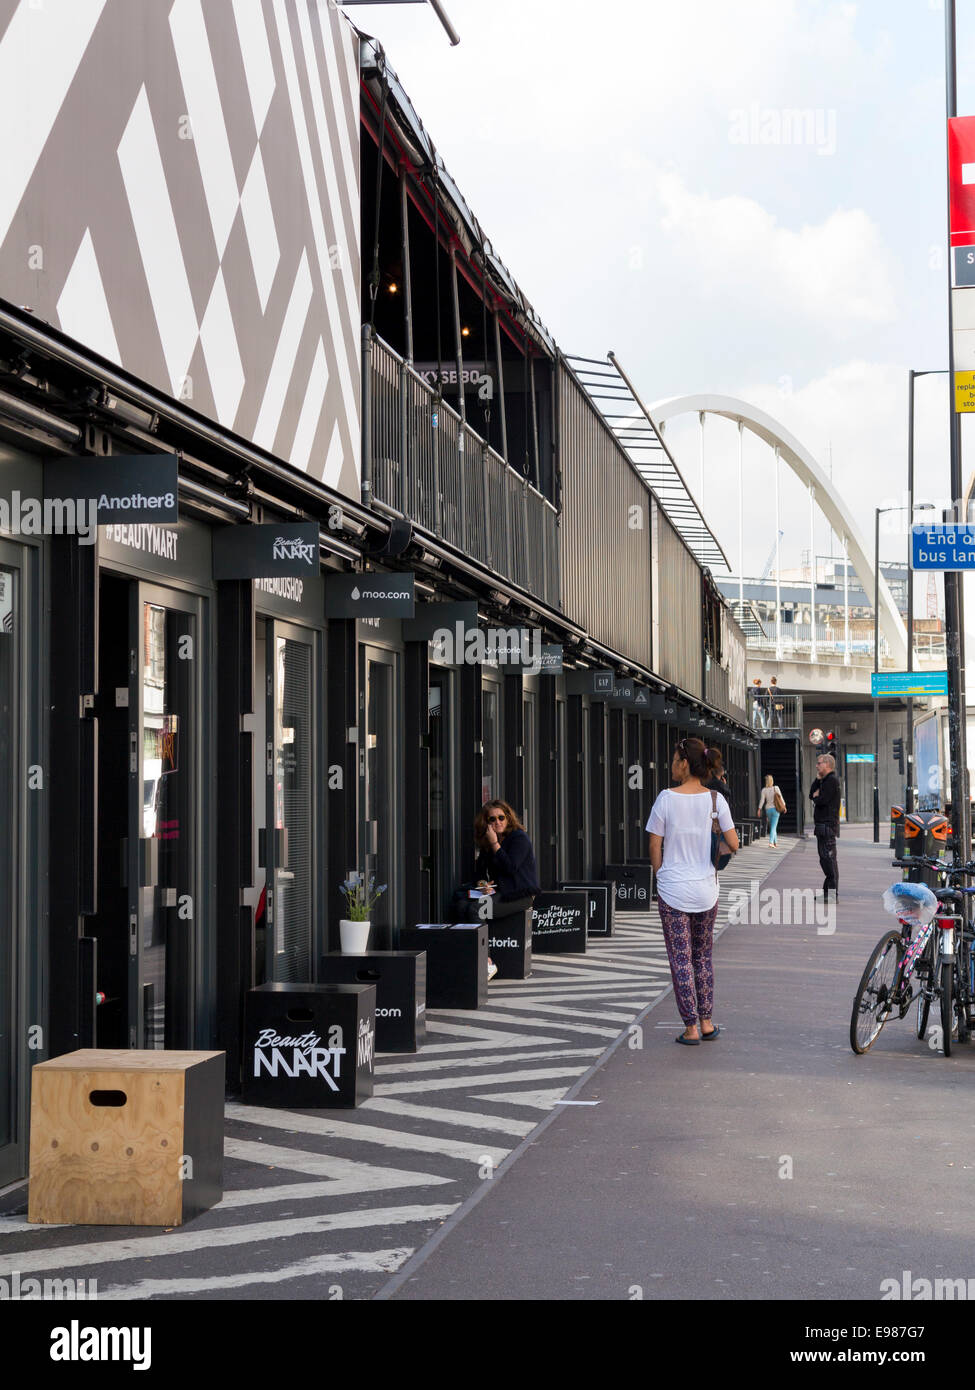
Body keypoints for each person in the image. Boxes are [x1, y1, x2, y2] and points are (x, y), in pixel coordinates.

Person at [646, 737, 739, 1046]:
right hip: (706, 891)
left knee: (681, 960)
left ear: (684, 763)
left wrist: (661, 875)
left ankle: (690, 1028)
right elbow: (734, 844)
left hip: (673, 891)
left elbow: (654, 842)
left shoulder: (665, 798)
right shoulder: (716, 800)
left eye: (674, 759)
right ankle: (708, 1022)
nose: (671, 765)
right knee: (702, 957)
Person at [465, 800, 539, 979]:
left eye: (501, 817)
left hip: (521, 894)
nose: (497, 822)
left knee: (477, 909)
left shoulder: (519, 838)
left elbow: (511, 868)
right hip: (502, 892)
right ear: (486, 823)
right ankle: (468, 958)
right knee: (461, 904)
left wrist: (495, 844)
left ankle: (487, 962)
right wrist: (484, 885)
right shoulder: (488, 842)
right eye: (492, 819)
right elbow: (481, 873)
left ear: (508, 819)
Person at [809, 752, 840, 899]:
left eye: (819, 763)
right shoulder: (824, 780)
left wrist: (817, 796)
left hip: (827, 825)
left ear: (827, 764)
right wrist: (817, 779)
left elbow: (822, 800)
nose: (817, 765)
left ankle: (832, 894)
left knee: (828, 859)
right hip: (822, 826)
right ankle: (828, 893)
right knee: (825, 859)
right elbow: (811, 794)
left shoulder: (831, 781)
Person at [757, 774, 785, 847]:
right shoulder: (776, 788)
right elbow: (781, 798)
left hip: (768, 810)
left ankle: (775, 842)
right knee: (773, 826)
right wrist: (784, 806)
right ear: (772, 781)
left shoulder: (764, 790)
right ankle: (771, 842)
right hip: (776, 810)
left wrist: (759, 809)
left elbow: (762, 801)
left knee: (773, 826)